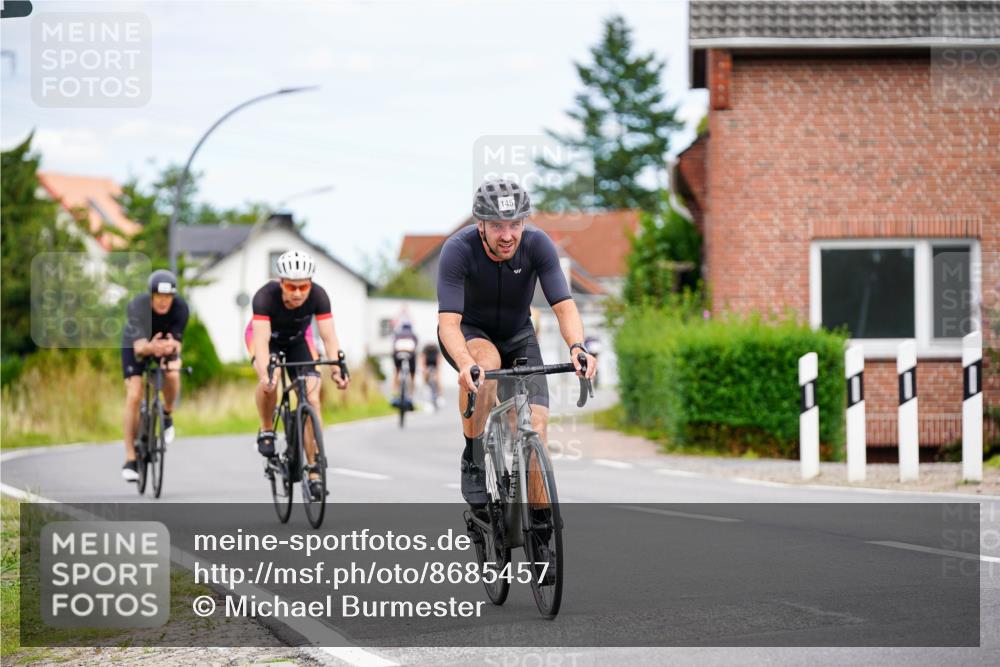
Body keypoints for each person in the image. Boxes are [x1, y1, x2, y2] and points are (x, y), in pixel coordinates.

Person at [436, 178, 596, 510]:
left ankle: (540, 526)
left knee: (536, 426)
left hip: (519, 334)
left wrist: (577, 347)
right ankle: (474, 455)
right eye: (497, 225)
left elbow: (565, 307)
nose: (507, 235)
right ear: (480, 224)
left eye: (515, 224)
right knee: (487, 364)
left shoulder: (537, 244)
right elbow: (448, 324)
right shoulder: (457, 249)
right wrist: (466, 363)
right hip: (471, 333)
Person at [248, 250, 350, 501]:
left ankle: (314, 468)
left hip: (298, 341)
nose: (297, 293)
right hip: (267, 340)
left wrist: (337, 369)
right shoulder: (264, 296)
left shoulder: (319, 295)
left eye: (303, 286)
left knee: (312, 397)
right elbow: (260, 342)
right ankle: (267, 428)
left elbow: (328, 337)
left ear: (310, 284)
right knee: (269, 384)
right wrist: (265, 373)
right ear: (281, 282)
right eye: (291, 286)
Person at [120, 269, 189, 482]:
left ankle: (167, 415)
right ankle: (131, 458)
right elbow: (140, 349)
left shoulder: (181, 309)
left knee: (173, 373)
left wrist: (169, 349)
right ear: (151, 296)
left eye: (167, 297)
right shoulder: (137, 307)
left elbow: (177, 344)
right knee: (134, 395)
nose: (163, 302)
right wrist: (152, 347)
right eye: (159, 297)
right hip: (137, 348)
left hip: (163, 349)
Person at [390, 321, 418, 410]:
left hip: (398, 353)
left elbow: (393, 346)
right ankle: (411, 396)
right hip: (410, 354)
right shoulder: (413, 335)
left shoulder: (397, 334)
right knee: (412, 375)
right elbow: (416, 346)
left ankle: (394, 394)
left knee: (397, 371)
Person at [422, 342, 442, 407]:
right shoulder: (425, 348)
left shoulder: (436, 348)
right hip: (427, 363)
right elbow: (422, 358)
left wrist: (438, 368)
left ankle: (439, 395)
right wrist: (425, 368)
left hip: (435, 364)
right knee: (425, 375)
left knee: (437, 379)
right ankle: (426, 387)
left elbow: (439, 358)